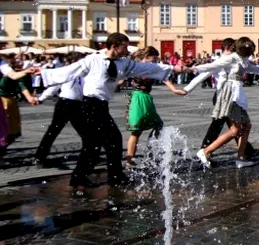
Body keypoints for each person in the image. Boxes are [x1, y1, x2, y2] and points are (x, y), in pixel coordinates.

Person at [37, 33, 185, 188]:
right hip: (90, 105)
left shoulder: (123, 63)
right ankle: (110, 177)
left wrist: (172, 68)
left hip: (101, 106)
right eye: (124, 46)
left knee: (99, 143)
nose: (126, 50)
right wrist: (43, 73)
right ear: (114, 46)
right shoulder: (94, 60)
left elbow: (147, 67)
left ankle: (88, 177)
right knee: (108, 140)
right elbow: (71, 70)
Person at [185, 37, 259, 169]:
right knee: (234, 129)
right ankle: (205, 151)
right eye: (248, 50)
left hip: (237, 95)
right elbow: (210, 66)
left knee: (246, 125)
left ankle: (241, 157)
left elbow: (254, 68)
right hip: (229, 94)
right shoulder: (231, 58)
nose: (250, 53)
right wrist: (190, 70)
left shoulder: (242, 59)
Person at [124, 47, 187, 168]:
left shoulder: (152, 67)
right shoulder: (137, 66)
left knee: (157, 125)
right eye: (153, 58)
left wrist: (175, 90)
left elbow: (164, 78)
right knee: (136, 131)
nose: (155, 61)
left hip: (146, 98)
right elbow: (123, 76)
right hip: (137, 98)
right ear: (147, 56)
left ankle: (148, 153)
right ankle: (130, 159)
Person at [195, 38, 257, 158]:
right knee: (229, 127)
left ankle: (244, 152)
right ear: (229, 48)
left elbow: (251, 68)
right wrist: (187, 87)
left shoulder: (235, 59)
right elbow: (204, 73)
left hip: (231, 96)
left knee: (237, 126)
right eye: (234, 48)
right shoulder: (225, 60)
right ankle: (205, 150)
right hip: (223, 97)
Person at [34, 52, 85, 167]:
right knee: (53, 131)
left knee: (85, 132)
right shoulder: (66, 72)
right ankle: (39, 157)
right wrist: (41, 98)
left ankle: (88, 157)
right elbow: (53, 87)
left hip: (78, 105)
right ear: (74, 61)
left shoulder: (84, 74)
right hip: (65, 103)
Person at [0, 56, 38, 151]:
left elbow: (19, 83)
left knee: (9, 130)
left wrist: (29, 97)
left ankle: (2, 150)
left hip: (8, 101)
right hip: (3, 100)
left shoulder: (6, 68)